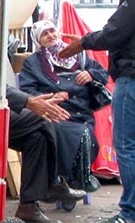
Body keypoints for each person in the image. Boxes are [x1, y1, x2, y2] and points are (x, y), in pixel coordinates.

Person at [58, 0, 135, 223]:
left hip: (131, 75)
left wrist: (83, 41)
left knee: (126, 145)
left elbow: (116, 32)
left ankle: (130, 212)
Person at [19, 20, 109, 194]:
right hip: (56, 114)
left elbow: (104, 74)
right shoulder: (33, 62)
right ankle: (63, 182)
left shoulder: (79, 56)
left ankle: (70, 181)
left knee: (85, 134)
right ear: (39, 40)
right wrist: (52, 97)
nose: (51, 36)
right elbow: (28, 91)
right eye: (45, 34)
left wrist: (90, 74)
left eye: (52, 31)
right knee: (56, 134)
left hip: (81, 113)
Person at [6, 82, 87, 223]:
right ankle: (52, 184)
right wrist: (29, 102)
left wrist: (32, 101)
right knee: (43, 118)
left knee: (37, 137)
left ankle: (28, 207)